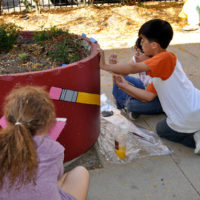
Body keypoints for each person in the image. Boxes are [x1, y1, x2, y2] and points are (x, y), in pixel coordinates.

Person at [100, 19, 200, 153]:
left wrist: (105, 66)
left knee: (162, 129)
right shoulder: (163, 66)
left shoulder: (165, 58)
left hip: (186, 118)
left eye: (143, 40)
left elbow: (133, 67)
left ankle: (195, 139)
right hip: (196, 108)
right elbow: (147, 96)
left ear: (154, 45)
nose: (141, 44)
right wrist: (124, 85)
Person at [0, 86, 89, 200]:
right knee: (80, 172)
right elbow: (56, 176)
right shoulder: (55, 150)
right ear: (48, 122)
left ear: (8, 118)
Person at [110, 37, 163, 120]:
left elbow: (148, 97)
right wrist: (114, 68)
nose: (136, 54)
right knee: (122, 79)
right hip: (146, 89)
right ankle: (126, 105)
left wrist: (127, 87)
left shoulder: (158, 72)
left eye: (141, 52)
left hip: (159, 99)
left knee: (133, 105)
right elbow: (120, 76)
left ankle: (126, 105)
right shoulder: (137, 58)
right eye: (136, 50)